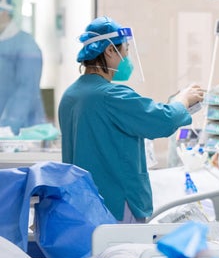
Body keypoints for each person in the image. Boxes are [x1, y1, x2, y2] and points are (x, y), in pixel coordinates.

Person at [58, 16, 204, 223]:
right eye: (125, 52)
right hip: (115, 204)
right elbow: (162, 121)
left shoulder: (71, 95)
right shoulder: (109, 95)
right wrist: (183, 100)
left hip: (84, 204)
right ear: (109, 51)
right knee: (125, 255)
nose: (127, 59)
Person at [0, 0, 46, 134]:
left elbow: (26, 90)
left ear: (5, 12)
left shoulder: (25, 45)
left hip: (20, 129)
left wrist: (8, 127)